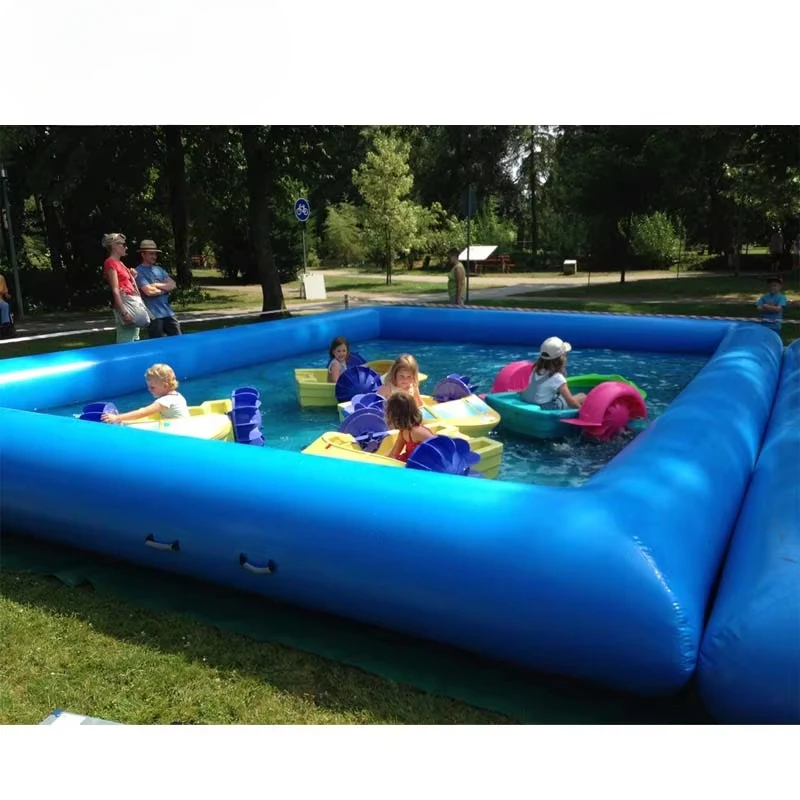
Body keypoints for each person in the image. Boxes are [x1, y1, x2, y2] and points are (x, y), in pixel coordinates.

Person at [102, 364, 190, 424]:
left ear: (165, 386)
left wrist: (117, 418)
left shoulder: (165, 401)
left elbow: (143, 412)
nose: (149, 389)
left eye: (152, 387)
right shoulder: (177, 395)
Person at [102, 232, 146, 344]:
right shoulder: (110, 262)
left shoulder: (120, 263)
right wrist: (124, 312)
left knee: (135, 339)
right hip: (125, 305)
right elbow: (115, 289)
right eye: (123, 244)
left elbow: (127, 283)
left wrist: (133, 277)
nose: (126, 247)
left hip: (132, 303)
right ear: (114, 246)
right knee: (126, 341)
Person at [520, 336, 587, 410]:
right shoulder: (557, 377)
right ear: (562, 358)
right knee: (582, 396)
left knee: (558, 396)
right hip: (545, 408)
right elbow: (570, 402)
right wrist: (582, 411)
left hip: (529, 402)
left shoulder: (535, 370)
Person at [134, 239, 182, 338]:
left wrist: (156, 285)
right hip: (154, 316)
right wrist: (165, 288)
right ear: (143, 254)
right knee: (157, 344)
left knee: (179, 340)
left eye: (155, 254)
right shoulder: (138, 271)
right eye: (151, 254)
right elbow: (149, 292)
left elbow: (173, 284)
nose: (154, 257)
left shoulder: (159, 269)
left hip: (168, 312)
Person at [384, 391, 435, 463]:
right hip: (411, 462)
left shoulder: (417, 431)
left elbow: (437, 447)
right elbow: (393, 455)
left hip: (423, 464)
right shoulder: (403, 432)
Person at [0, 271, 14, 338]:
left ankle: (5, 326)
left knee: (5, 305)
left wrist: (7, 295)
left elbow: (5, 292)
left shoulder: (1, 278)